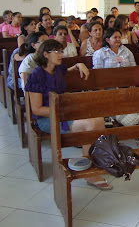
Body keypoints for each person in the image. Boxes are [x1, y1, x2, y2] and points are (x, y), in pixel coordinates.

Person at [24, 39, 111, 190]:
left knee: (99, 120)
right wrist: (65, 111)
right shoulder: (37, 76)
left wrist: (79, 64)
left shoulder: (57, 69)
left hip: (64, 113)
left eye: (61, 51)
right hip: (47, 119)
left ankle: (93, 162)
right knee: (90, 125)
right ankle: (88, 173)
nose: (61, 54)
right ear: (45, 54)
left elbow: (68, 70)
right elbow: (37, 109)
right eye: (56, 52)